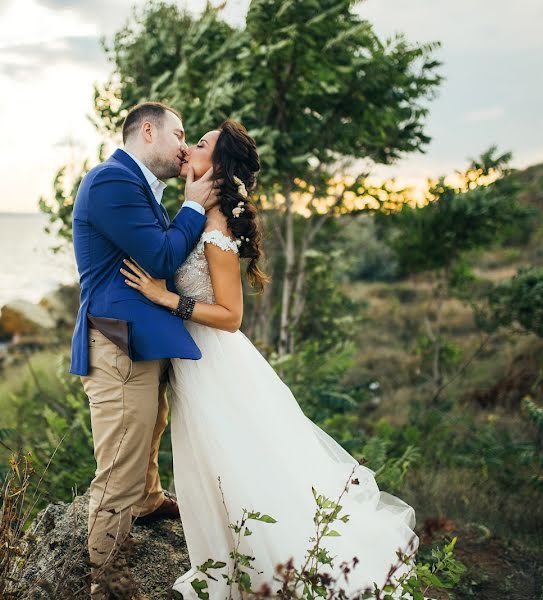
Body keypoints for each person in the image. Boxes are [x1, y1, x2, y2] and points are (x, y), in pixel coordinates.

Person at [120, 119, 420, 598]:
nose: (189, 146)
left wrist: (164, 298)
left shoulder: (216, 229)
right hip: (193, 361)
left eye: (200, 143)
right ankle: (229, 562)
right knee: (210, 463)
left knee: (235, 463)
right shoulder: (195, 212)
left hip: (214, 362)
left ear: (216, 166)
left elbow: (231, 314)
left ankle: (265, 569)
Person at [69, 101, 222, 599]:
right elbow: (159, 255)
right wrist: (195, 205)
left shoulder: (140, 188)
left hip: (137, 339)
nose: (184, 145)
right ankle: (107, 580)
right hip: (116, 344)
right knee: (119, 462)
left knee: (149, 426)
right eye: (180, 135)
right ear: (149, 131)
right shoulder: (112, 181)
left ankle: (150, 499)